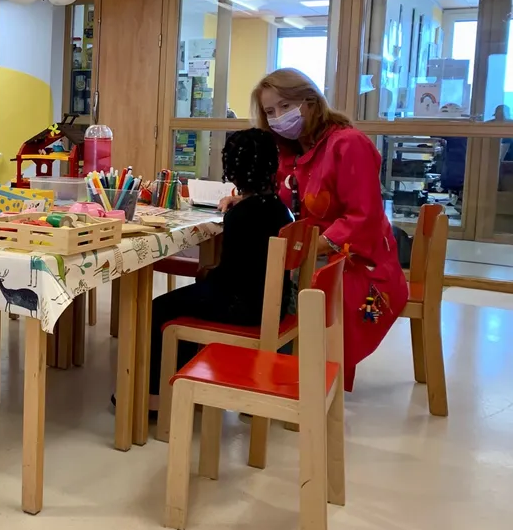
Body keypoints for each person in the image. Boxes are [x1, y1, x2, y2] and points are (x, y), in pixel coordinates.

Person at [249, 68, 408, 391]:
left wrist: (312, 246)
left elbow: (362, 218)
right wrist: (243, 197)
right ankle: (272, 369)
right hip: (314, 252)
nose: (278, 117)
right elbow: (277, 194)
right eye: (269, 112)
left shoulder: (348, 144)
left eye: (285, 106)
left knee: (288, 284)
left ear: (309, 101)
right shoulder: (292, 150)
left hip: (360, 261)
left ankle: (304, 379)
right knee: (258, 276)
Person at [138, 129, 294, 404]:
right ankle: (180, 377)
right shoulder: (280, 209)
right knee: (189, 300)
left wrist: (207, 273)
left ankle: (155, 392)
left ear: (231, 170)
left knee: (161, 308)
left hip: (242, 306)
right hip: (271, 303)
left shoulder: (242, 216)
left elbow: (228, 277)